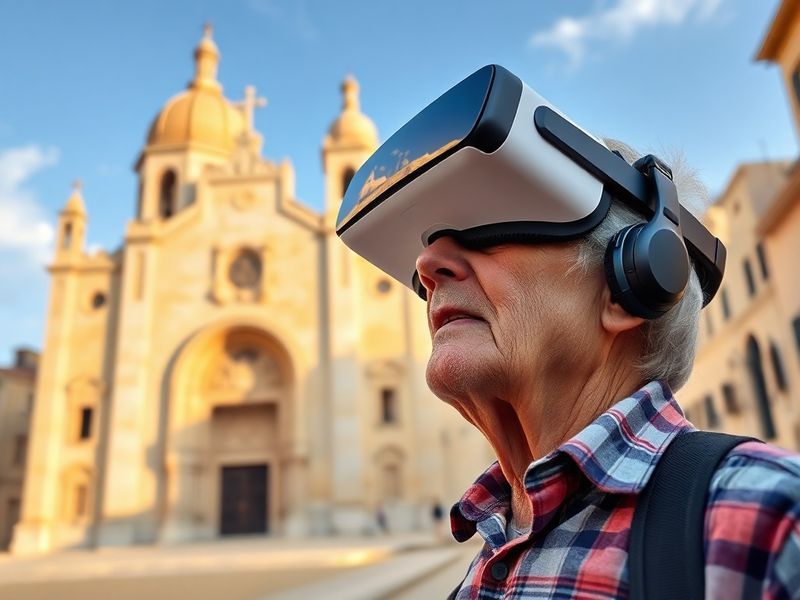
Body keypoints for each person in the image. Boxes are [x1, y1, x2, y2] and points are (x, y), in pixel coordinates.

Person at [336, 65, 800, 598]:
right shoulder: (495, 543)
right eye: (432, 243)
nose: (427, 264)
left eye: (488, 225)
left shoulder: (768, 523)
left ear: (631, 281)